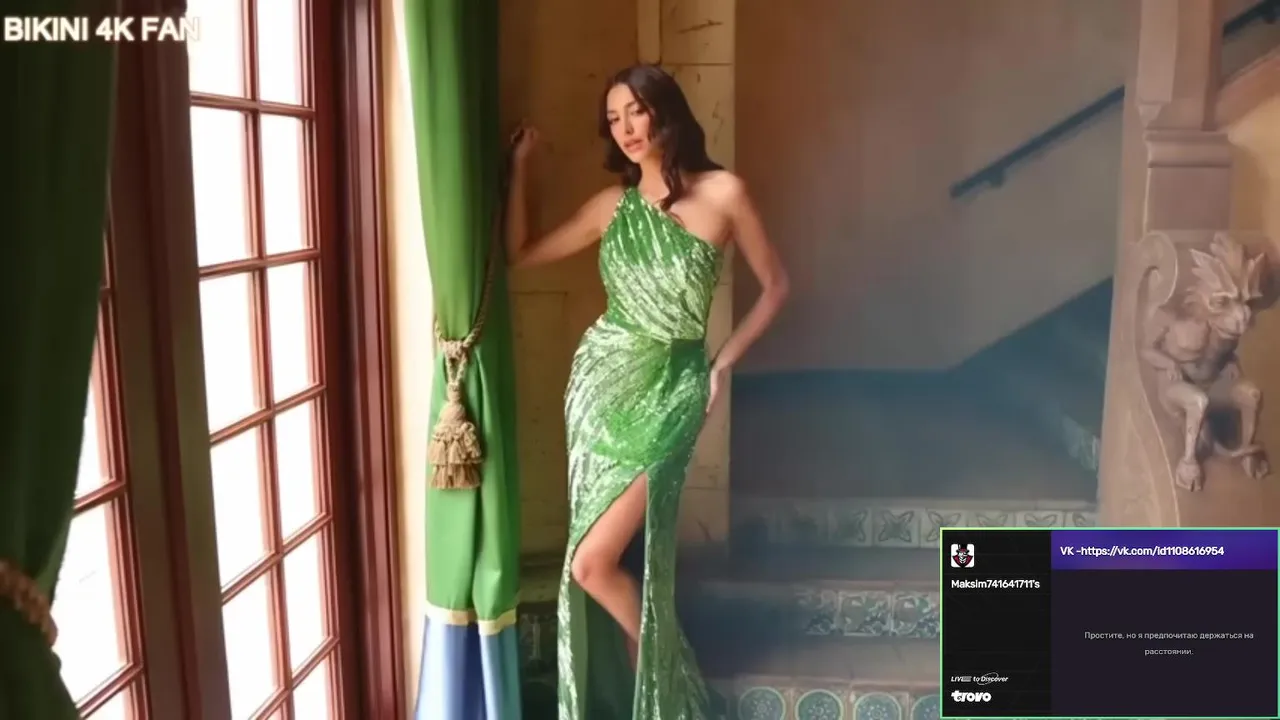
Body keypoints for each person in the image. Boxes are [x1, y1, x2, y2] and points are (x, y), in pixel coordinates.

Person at [505, 64, 789, 719]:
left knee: (592, 564)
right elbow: (520, 253)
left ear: (666, 110)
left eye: (635, 110)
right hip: (601, 384)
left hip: (674, 388)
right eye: (613, 118)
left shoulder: (724, 193)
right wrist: (521, 168)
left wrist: (722, 364)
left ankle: (667, 671)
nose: (626, 128)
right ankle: (650, 688)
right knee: (597, 559)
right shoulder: (612, 206)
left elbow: (777, 287)